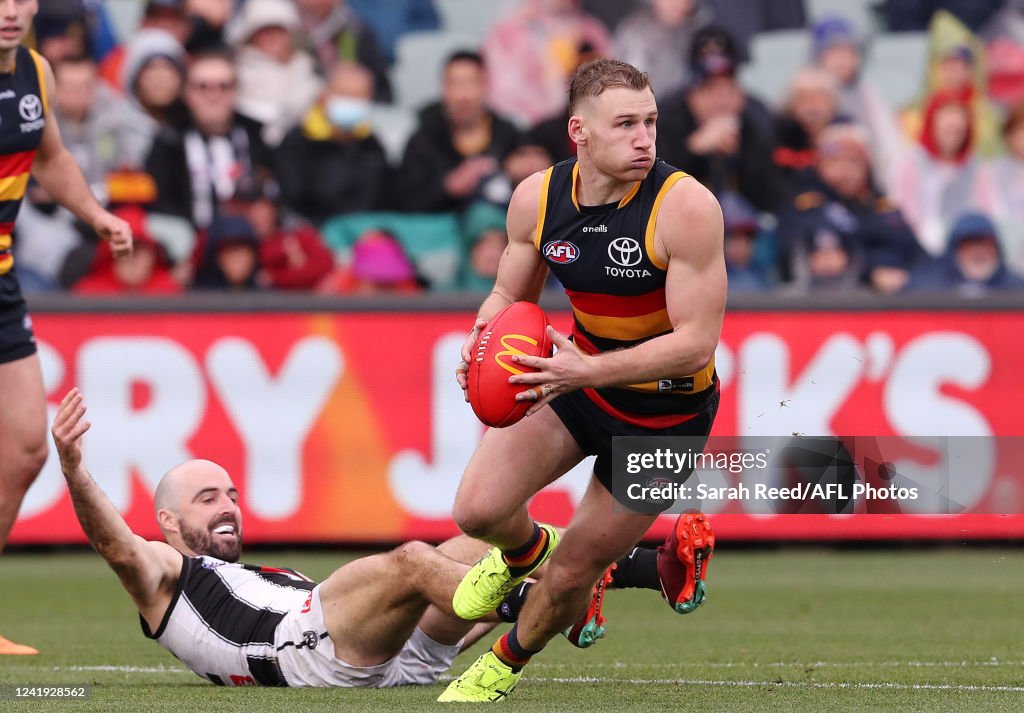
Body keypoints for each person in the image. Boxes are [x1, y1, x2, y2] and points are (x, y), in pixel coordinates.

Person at [49, 387, 714, 687]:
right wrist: (75, 468)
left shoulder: (259, 578)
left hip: (384, 659)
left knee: (470, 549)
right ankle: (546, 600)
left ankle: (648, 566)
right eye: (205, 498)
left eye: (229, 493)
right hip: (304, 658)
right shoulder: (167, 576)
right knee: (410, 562)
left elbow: (399, 608)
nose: (227, 506)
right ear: (167, 521)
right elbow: (116, 545)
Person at [442, 58, 723, 701]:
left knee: (574, 571)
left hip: (666, 416)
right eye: (625, 123)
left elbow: (694, 345)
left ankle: (503, 665)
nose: (645, 138)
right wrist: (480, 338)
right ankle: (519, 554)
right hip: (579, 380)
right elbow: (504, 297)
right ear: (580, 132)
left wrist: (584, 369)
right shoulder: (536, 198)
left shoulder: (685, 207)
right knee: (478, 509)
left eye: (651, 121)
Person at [0, 0, 132, 656]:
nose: (8, 10)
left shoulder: (34, 71)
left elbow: (49, 158)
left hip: (0, 280)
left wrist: (95, 214)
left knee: (26, 447)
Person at [395, 51, 522, 214]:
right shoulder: (424, 139)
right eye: (454, 83)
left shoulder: (508, 134)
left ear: (486, 86)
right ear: (443, 89)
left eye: (471, 82)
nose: (463, 96)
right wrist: (448, 187)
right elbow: (405, 201)